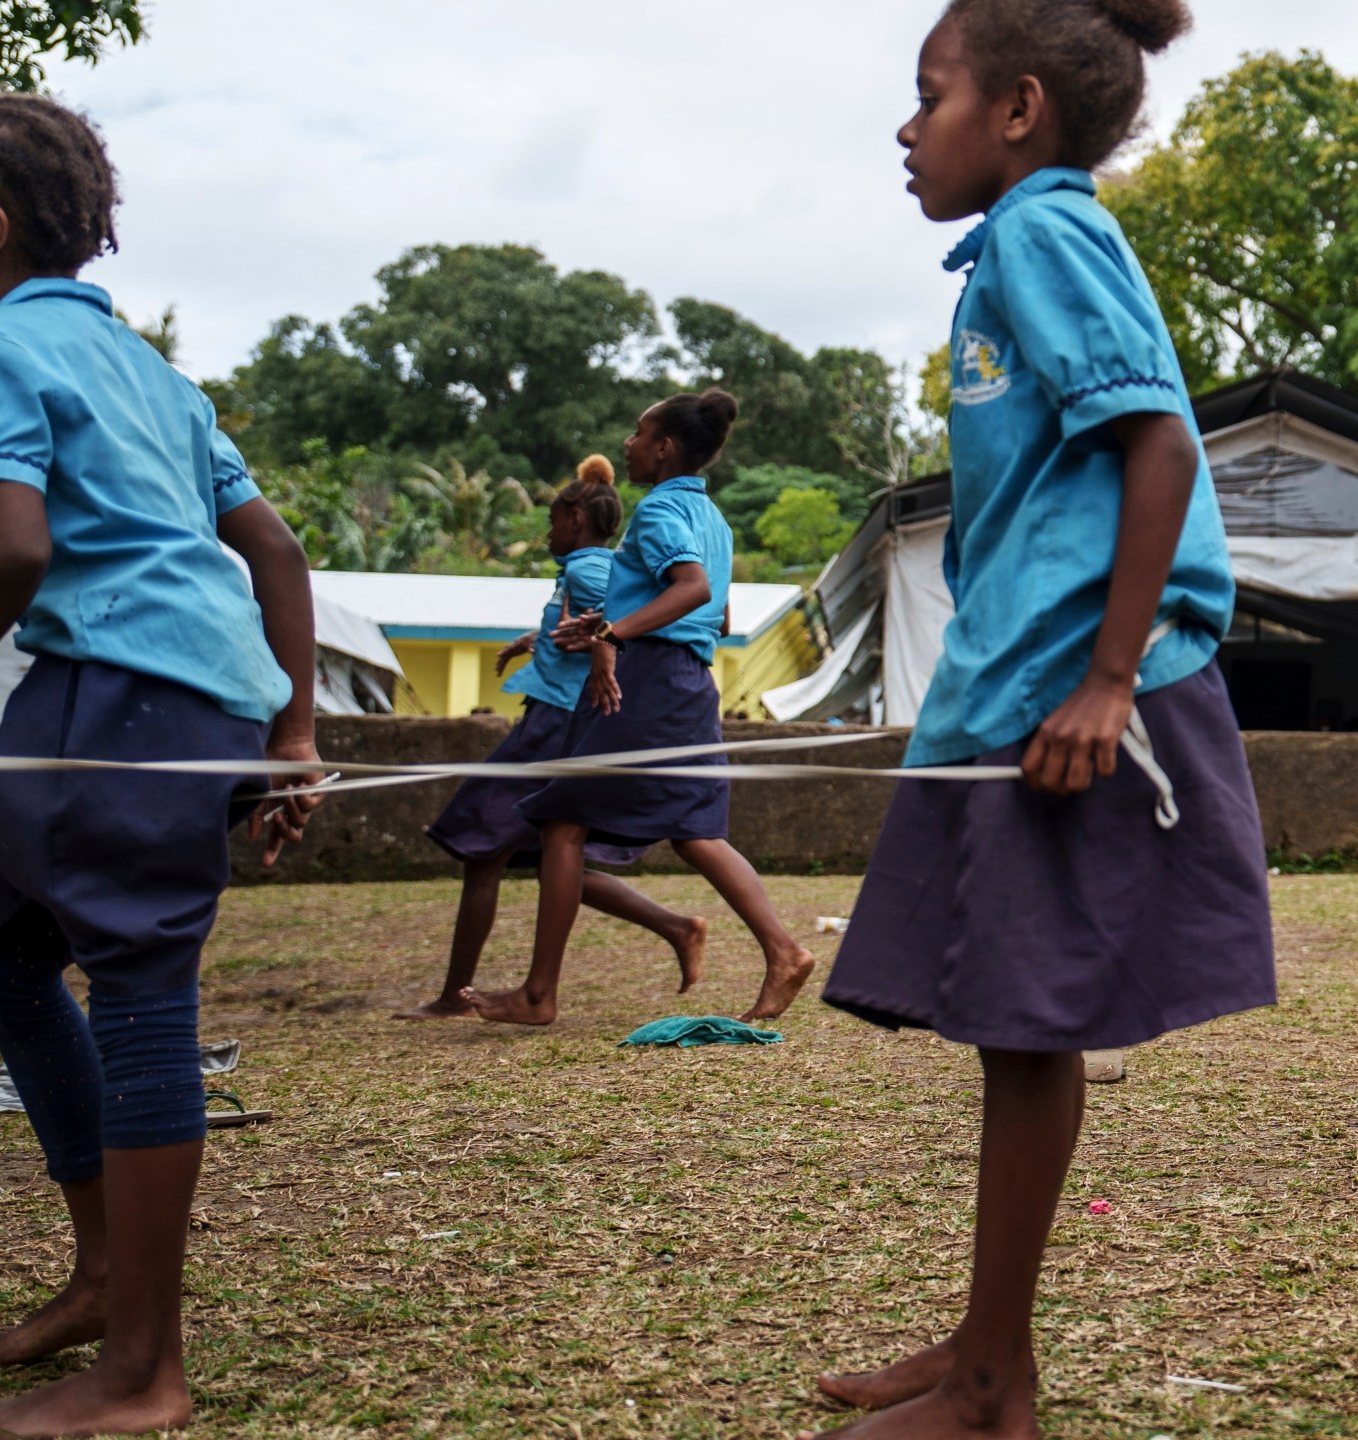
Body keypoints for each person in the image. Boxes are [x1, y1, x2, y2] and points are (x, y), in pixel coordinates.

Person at [804, 3, 1275, 1435]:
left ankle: (996, 1386)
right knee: (1015, 1029)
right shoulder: (1020, 246)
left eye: (927, 94)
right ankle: (976, 1348)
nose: (905, 124)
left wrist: (1109, 680)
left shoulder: (1042, 233)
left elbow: (1160, 446)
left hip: (1083, 705)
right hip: (1020, 684)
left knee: (1030, 1024)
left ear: (1015, 110)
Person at [0, 95, 324, 1437]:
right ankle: (102, 1271)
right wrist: (291, 734)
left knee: (139, 998)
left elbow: (12, 551)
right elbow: (274, 554)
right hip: (172, 701)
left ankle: (141, 1374)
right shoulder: (160, 378)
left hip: (122, 701)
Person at [466, 391, 814, 1027]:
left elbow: (692, 589)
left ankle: (539, 994)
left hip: (646, 681)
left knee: (564, 824)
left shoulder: (657, 511)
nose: (626, 443)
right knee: (694, 831)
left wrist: (611, 637)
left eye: (638, 432)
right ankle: (784, 951)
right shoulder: (713, 519)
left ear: (665, 448)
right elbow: (718, 613)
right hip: (690, 679)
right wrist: (605, 623)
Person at [398, 457, 707, 1020]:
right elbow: (591, 622)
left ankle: (456, 995)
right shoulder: (585, 570)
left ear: (574, 518)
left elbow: (621, 622)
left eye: (552, 520)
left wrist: (597, 648)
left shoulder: (591, 568)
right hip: (554, 719)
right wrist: (534, 638)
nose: (547, 532)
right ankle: (677, 926)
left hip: (553, 726)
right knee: (550, 860)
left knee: (483, 847)